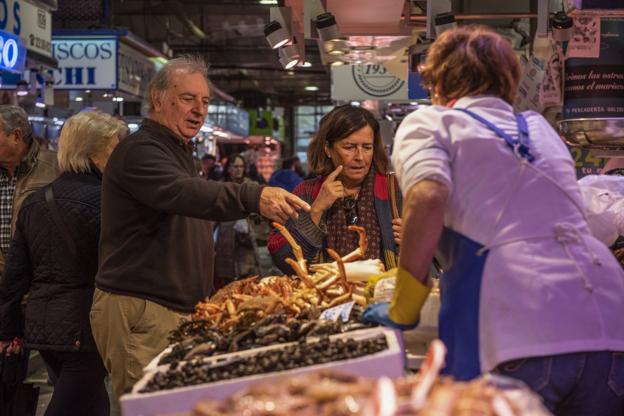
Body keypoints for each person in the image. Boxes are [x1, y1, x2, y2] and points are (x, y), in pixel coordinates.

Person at [362, 26, 624, 415]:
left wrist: (405, 306)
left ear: (435, 84)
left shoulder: (432, 123)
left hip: (516, 325)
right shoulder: (540, 130)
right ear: (509, 82)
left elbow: (428, 196)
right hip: (607, 323)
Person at [89, 56, 309, 403]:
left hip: (171, 310)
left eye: (205, 101)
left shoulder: (177, 151)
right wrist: (253, 195)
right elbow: (185, 193)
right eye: (188, 98)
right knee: (153, 409)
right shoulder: (140, 151)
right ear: (159, 99)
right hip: (142, 310)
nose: (199, 109)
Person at [0, 111, 125, 416]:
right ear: (93, 152)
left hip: (43, 328)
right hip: (86, 327)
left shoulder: (35, 201)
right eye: (114, 149)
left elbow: (15, 275)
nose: (120, 158)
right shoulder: (108, 201)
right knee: (70, 404)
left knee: (93, 403)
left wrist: (7, 330)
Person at [267, 104, 402, 273]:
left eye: (367, 147)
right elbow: (284, 260)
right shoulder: (307, 193)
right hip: (324, 295)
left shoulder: (393, 191)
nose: (360, 157)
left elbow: (435, 254)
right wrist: (316, 211)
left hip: (384, 296)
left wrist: (414, 242)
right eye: (349, 147)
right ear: (328, 149)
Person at [0, 105, 58, 416]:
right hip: (2, 285)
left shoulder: (54, 168)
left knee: (34, 374)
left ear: (17, 136)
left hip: (35, 285)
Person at [214, 154, 261, 284]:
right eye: (235, 166)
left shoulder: (252, 186)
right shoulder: (220, 186)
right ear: (229, 168)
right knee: (227, 276)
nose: (239, 169)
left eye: (241, 166)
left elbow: (260, 214)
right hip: (225, 235)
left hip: (247, 236)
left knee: (247, 273)